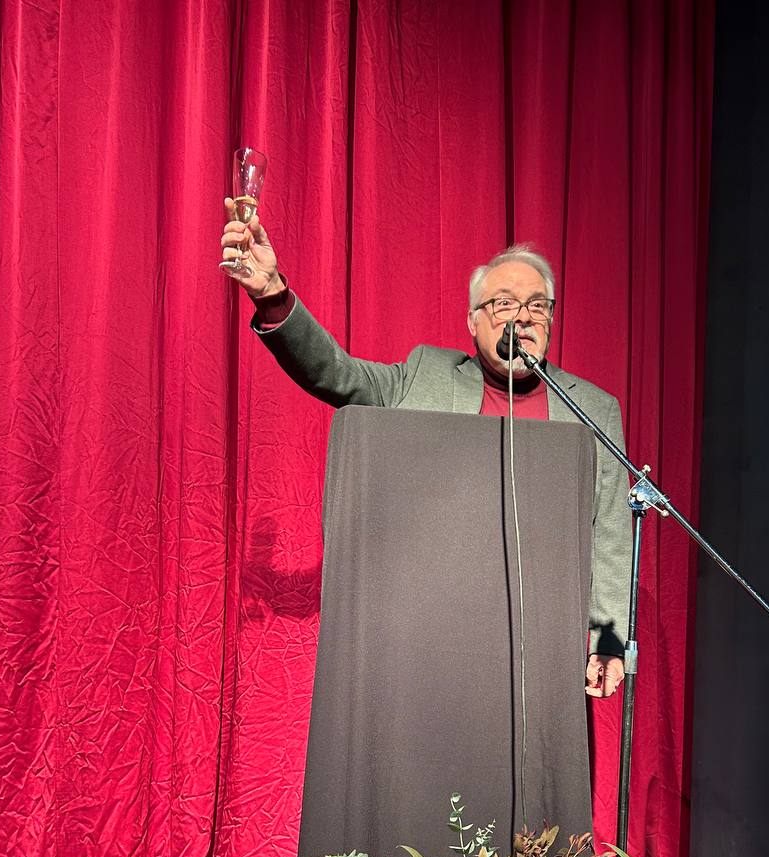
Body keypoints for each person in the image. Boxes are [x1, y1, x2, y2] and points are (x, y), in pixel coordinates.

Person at [219, 200, 629, 696]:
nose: (522, 318)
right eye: (503, 303)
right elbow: (336, 374)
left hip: (542, 651)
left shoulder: (592, 410)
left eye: (537, 305)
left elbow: (609, 529)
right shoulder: (426, 375)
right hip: (431, 641)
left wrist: (608, 638)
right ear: (472, 322)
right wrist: (273, 297)